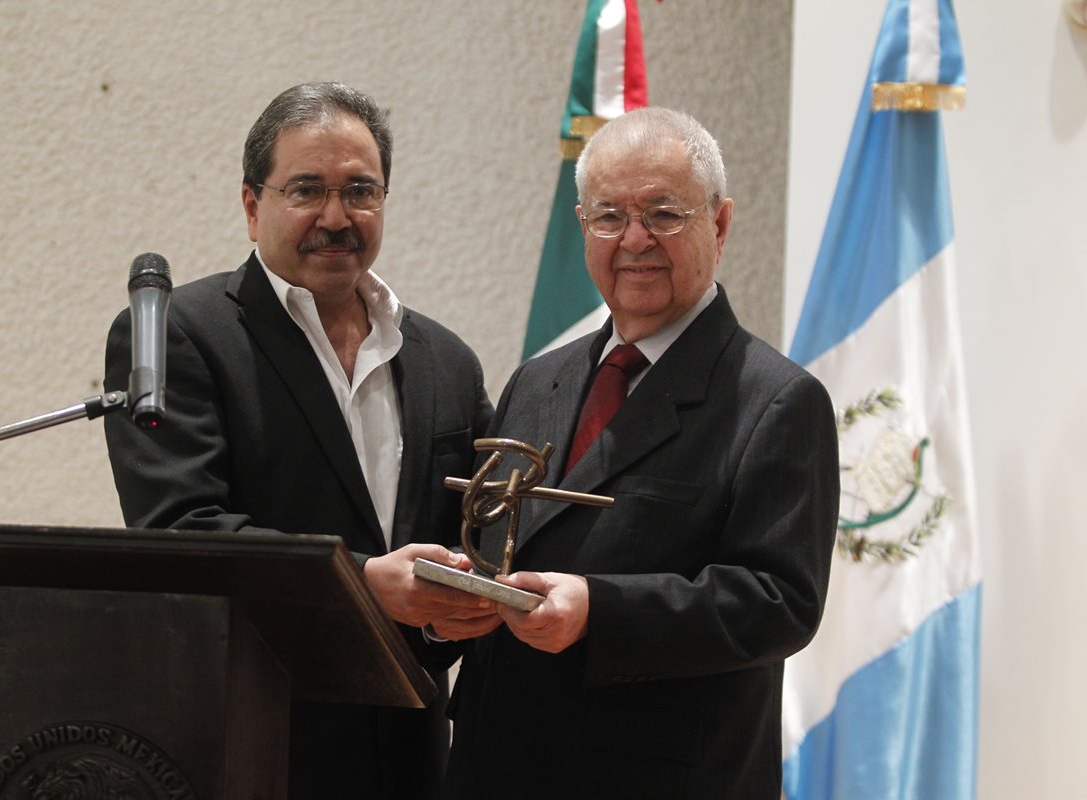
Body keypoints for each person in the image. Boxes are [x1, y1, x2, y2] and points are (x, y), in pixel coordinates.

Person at [103, 82, 495, 800]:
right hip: (250, 749)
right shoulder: (180, 336)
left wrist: (454, 612)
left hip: (413, 757)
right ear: (253, 206)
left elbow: (474, 539)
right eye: (307, 189)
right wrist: (365, 585)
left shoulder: (448, 361)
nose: (336, 217)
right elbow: (183, 533)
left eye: (361, 190)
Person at [440, 107, 840, 799]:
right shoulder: (539, 379)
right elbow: (500, 541)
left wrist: (599, 608)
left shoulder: (776, 400)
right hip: (496, 762)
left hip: (657, 775)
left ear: (719, 225)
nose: (634, 240)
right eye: (608, 216)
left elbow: (778, 602)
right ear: (582, 226)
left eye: (664, 213)